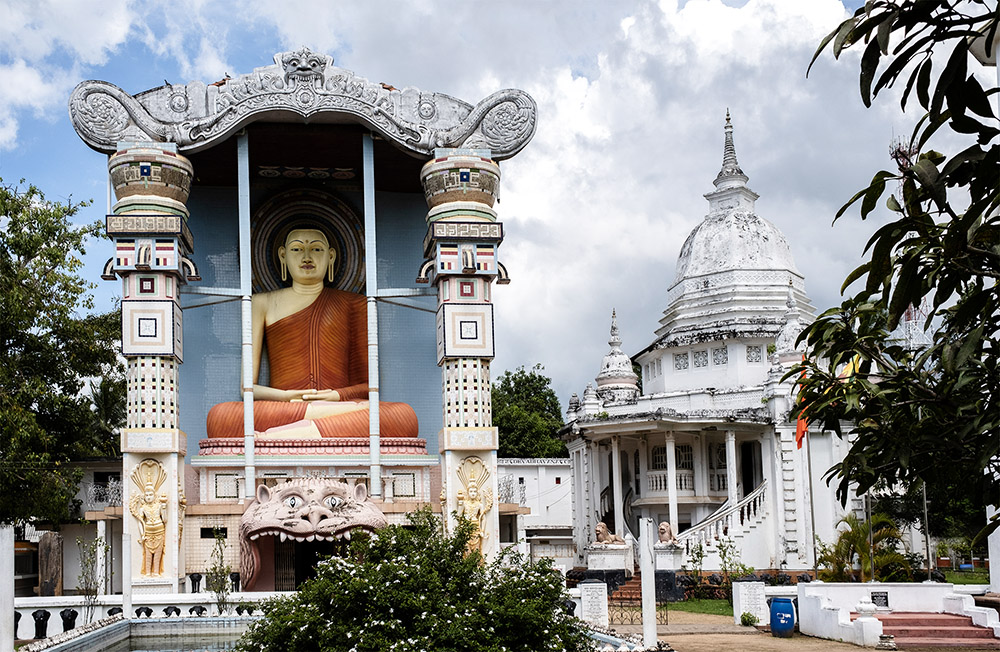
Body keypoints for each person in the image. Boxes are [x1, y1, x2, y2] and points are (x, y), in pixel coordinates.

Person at [206, 226, 418, 438]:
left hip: (339, 405)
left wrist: (336, 396)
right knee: (221, 416)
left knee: (402, 415)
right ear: (283, 255)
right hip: (286, 408)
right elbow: (247, 388)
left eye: (316, 249)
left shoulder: (356, 304)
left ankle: (275, 437)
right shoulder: (261, 302)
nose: (306, 257)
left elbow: (369, 386)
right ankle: (311, 429)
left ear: (331, 256)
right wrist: (287, 397)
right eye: (297, 249)